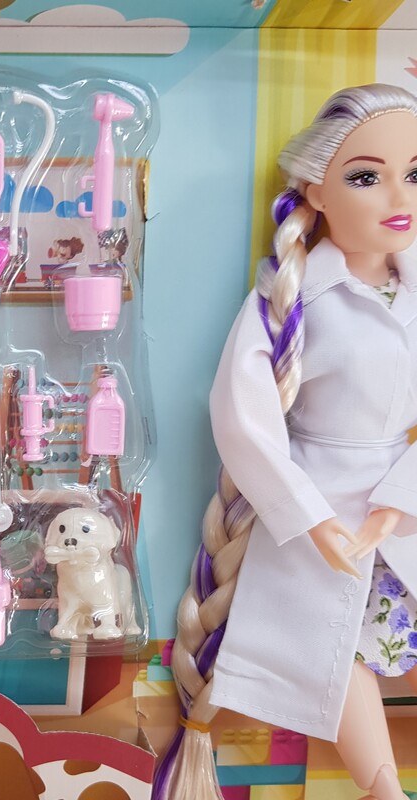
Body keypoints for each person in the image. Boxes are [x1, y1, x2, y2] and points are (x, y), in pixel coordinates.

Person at [154, 84, 417, 800]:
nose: (399, 195)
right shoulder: (292, 297)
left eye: (414, 172)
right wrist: (310, 515)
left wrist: (399, 499)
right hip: (319, 493)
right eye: (366, 177)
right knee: (337, 650)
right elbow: (243, 414)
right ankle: (383, 788)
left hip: (401, 495)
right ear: (316, 191)